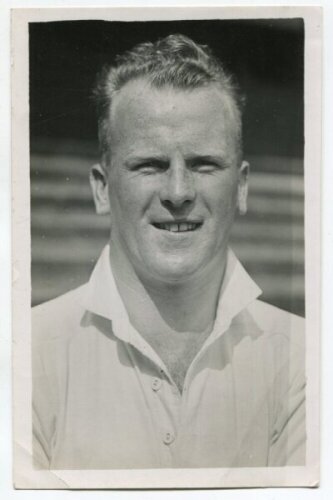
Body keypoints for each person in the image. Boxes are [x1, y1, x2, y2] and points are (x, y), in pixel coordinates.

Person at [32, 34, 305, 470]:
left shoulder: (307, 359)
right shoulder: (23, 356)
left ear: (243, 186)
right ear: (102, 189)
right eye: (150, 165)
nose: (178, 192)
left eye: (203, 164)